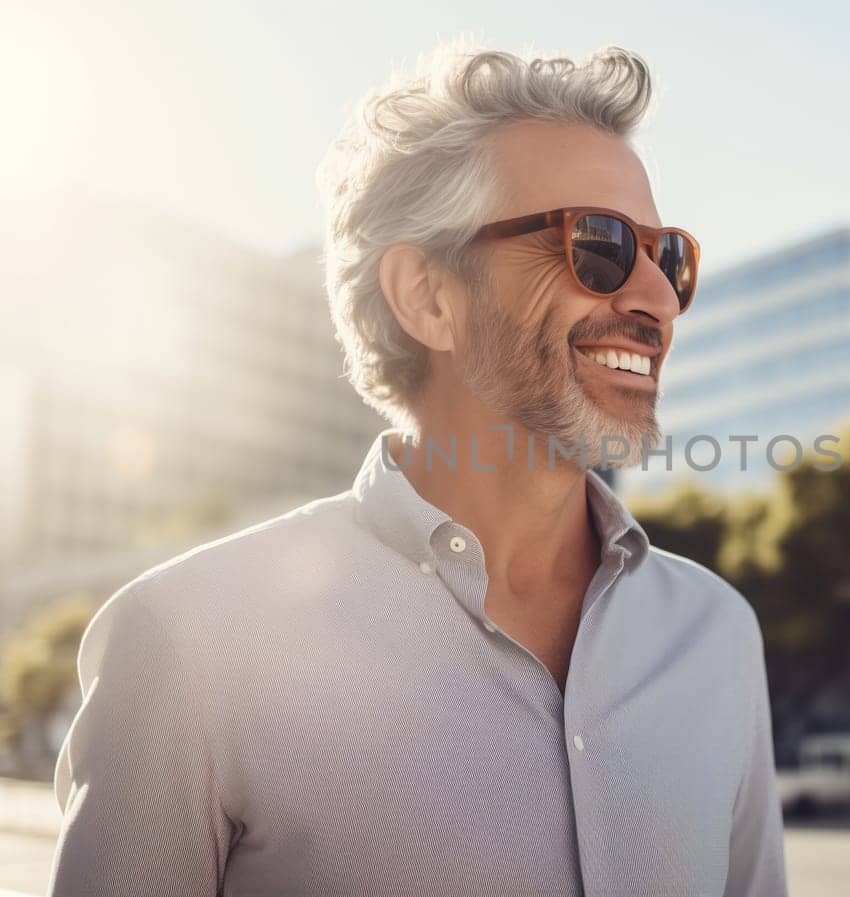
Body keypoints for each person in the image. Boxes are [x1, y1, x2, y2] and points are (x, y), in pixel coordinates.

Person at [48, 42, 788, 897]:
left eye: (671, 259)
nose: (658, 299)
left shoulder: (718, 635)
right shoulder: (187, 644)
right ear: (430, 298)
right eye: (602, 244)